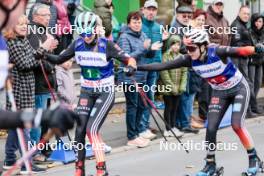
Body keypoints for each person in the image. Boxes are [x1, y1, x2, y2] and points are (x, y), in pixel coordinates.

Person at [136, 29, 264, 176]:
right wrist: (136, 67)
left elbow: (240, 51)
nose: (189, 52)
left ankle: (254, 159)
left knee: (237, 125)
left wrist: (256, 49)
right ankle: (210, 165)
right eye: (187, 48)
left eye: (192, 48)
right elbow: (162, 66)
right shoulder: (189, 59)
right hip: (220, 92)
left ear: (203, 46)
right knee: (210, 127)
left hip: (238, 88)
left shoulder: (217, 51)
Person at [41, 11, 137, 176]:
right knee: (79, 131)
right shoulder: (76, 44)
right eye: (82, 32)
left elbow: (130, 59)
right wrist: (42, 54)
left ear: (95, 30)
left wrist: (130, 67)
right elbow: (59, 59)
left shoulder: (107, 45)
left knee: (91, 129)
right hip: (87, 91)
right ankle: (79, 170)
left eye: (88, 32)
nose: (85, 36)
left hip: (104, 92)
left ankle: (101, 170)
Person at [0, 0, 78, 172]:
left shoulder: (24, 40)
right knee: (24, 128)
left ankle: (9, 160)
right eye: (19, 25)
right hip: (19, 91)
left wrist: (41, 53)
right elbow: (26, 63)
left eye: (24, 24)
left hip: (28, 88)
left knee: (16, 130)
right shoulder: (12, 43)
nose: (23, 27)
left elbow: (35, 59)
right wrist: (43, 48)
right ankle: (27, 161)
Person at [118, 11, 161, 146]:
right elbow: (126, 58)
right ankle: (131, 137)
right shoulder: (124, 37)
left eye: (139, 22)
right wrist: (143, 48)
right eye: (134, 22)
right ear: (129, 23)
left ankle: (137, 133)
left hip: (142, 76)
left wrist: (152, 49)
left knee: (142, 105)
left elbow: (146, 55)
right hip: (129, 77)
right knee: (133, 106)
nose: (137, 24)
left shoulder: (142, 35)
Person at [140, 0, 167, 140]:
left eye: (153, 10)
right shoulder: (139, 25)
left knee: (150, 97)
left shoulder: (158, 27)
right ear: (143, 10)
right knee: (143, 98)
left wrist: (160, 63)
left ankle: (145, 126)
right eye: (149, 9)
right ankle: (142, 127)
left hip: (155, 66)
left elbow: (160, 48)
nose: (151, 12)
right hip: (142, 67)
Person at [230, 6, 256, 118]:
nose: (246, 15)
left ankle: (248, 110)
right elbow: (235, 45)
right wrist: (249, 48)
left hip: (243, 59)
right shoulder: (236, 25)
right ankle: (247, 111)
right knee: (245, 85)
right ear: (239, 13)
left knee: (246, 85)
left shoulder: (243, 25)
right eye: (244, 13)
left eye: (248, 14)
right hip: (238, 59)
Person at [160, 35, 186, 138]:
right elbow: (164, 72)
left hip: (178, 87)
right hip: (168, 88)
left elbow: (184, 72)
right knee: (169, 107)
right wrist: (171, 86)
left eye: (178, 44)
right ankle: (167, 129)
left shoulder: (181, 57)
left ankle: (173, 126)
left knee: (175, 108)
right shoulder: (166, 56)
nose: (176, 46)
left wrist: (182, 86)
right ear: (170, 45)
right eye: (173, 44)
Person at [249, 13, 264, 115]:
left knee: (258, 83)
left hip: (260, 61)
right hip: (251, 61)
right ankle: (251, 106)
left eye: (260, 21)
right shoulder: (249, 32)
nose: (258, 23)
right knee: (251, 83)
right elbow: (254, 47)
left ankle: (253, 105)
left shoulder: (263, 33)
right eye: (256, 21)